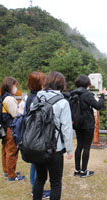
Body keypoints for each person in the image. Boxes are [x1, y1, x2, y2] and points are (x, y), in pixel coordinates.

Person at [33, 71, 73, 200]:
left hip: (38, 144)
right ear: (61, 84)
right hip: (55, 146)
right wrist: (69, 149)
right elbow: (66, 127)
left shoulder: (38, 97)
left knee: (40, 178)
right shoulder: (62, 102)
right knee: (55, 183)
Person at [73, 74, 106, 178]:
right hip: (87, 124)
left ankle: (77, 170)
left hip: (77, 123)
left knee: (79, 146)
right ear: (87, 83)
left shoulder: (73, 93)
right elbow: (98, 106)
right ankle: (84, 171)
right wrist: (103, 96)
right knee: (86, 147)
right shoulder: (87, 94)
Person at [26, 72, 50, 198]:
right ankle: (37, 190)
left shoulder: (29, 97)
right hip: (36, 135)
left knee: (33, 163)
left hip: (30, 134)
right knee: (38, 164)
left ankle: (33, 188)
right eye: (44, 81)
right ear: (39, 84)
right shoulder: (37, 98)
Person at [0, 77, 26, 182]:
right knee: (12, 151)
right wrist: (22, 105)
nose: (16, 88)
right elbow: (16, 114)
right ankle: (12, 175)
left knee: (5, 150)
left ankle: (7, 171)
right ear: (10, 85)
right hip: (11, 128)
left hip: (5, 127)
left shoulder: (4, 97)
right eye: (15, 85)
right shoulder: (10, 99)